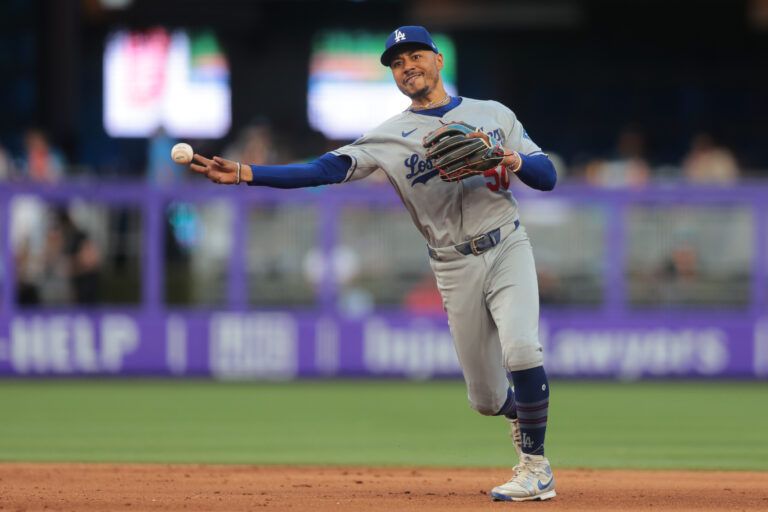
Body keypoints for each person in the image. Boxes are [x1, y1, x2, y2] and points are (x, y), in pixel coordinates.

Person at [190, 25, 557, 502]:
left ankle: (535, 466)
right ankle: (520, 412)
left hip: (507, 244)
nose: (408, 67)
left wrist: (508, 158)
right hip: (452, 264)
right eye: (398, 63)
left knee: (523, 351)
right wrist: (247, 172)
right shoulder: (389, 137)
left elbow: (546, 176)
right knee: (486, 399)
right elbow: (324, 169)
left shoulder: (492, 114)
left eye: (415, 56)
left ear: (438, 59)